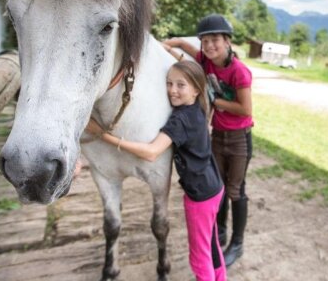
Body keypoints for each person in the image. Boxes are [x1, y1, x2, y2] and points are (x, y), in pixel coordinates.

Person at [88, 60, 227, 281]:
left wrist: (103, 135)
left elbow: (152, 152)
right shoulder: (196, 108)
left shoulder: (180, 120)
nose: (172, 90)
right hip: (215, 187)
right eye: (169, 83)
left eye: (181, 85)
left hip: (199, 197)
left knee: (199, 257)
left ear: (196, 90)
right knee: (212, 244)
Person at [163, 14, 253, 267]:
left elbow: (245, 109)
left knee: (236, 190)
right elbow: (183, 46)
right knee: (219, 187)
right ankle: (220, 231)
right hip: (217, 134)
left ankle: (237, 242)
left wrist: (213, 100)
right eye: (205, 42)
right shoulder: (205, 59)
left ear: (227, 41)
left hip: (238, 139)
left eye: (215, 40)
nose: (209, 46)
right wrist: (169, 44)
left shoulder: (239, 72)